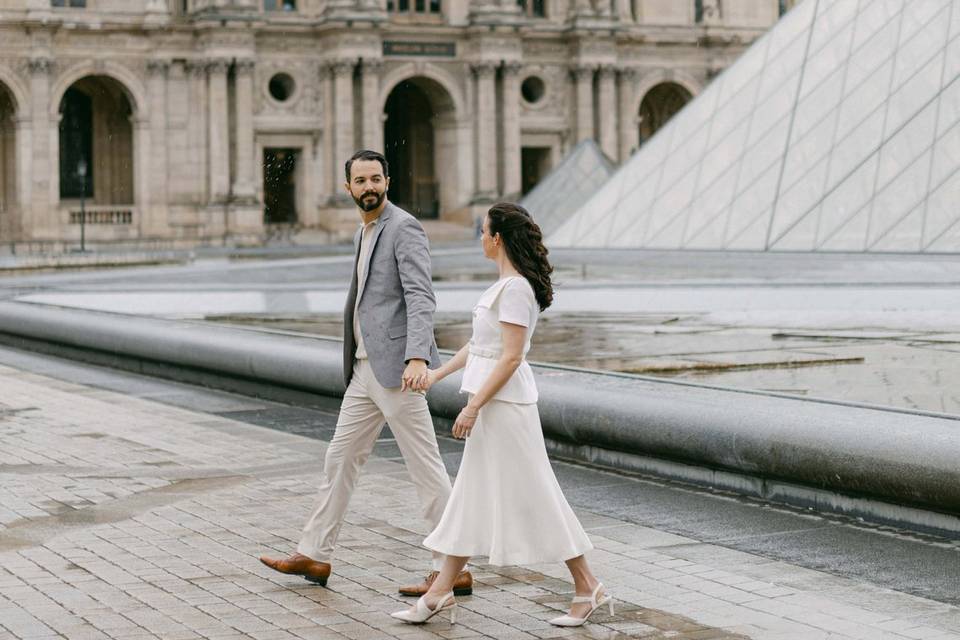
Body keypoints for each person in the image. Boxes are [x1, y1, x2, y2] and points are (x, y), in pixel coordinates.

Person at [260, 150, 473, 597]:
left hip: (396, 369)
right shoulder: (364, 231)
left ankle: (453, 565)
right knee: (339, 461)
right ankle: (315, 553)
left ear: (387, 181)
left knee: (425, 469)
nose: (369, 186)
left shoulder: (404, 227)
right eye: (361, 180)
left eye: (376, 178)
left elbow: (420, 295)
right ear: (349, 187)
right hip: (363, 368)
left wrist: (418, 356)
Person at [391, 202, 611, 627]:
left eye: (483, 231)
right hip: (496, 407)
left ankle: (588, 587)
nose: (479, 237)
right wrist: (437, 375)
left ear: (497, 238)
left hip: (505, 409)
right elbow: (480, 347)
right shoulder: (506, 286)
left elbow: (511, 358)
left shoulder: (515, 290)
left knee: (536, 496)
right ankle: (439, 595)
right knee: (470, 498)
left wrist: (473, 405)